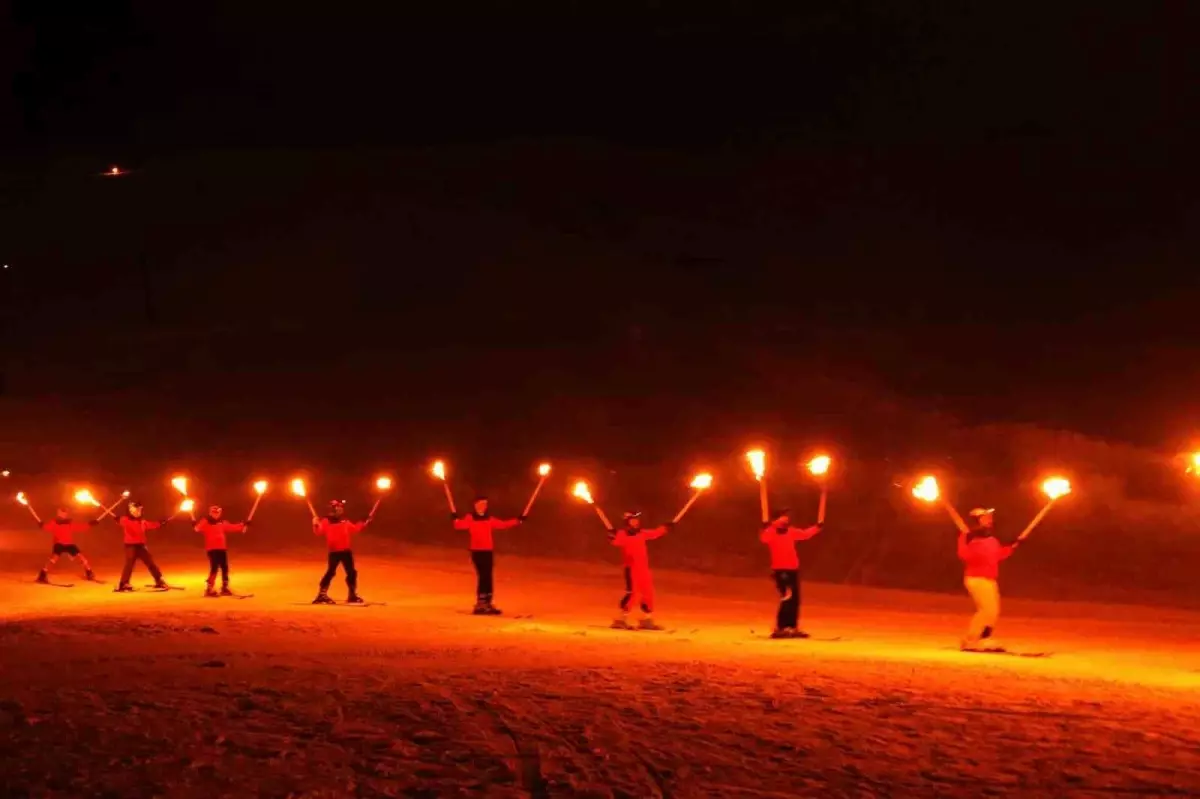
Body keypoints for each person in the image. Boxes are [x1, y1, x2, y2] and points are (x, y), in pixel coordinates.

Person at [956, 507, 1019, 652]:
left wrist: (1013, 546)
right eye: (985, 518)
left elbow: (998, 556)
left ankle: (985, 639)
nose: (990, 521)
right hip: (976, 578)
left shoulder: (991, 540)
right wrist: (969, 541)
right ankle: (971, 640)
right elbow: (964, 556)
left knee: (993, 611)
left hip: (990, 578)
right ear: (977, 520)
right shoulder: (968, 537)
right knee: (986, 610)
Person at [452, 496, 524, 615]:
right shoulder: (470, 518)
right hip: (477, 551)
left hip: (488, 551)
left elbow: (503, 524)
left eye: (485, 504)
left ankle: (488, 603)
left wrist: (518, 520)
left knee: (488, 576)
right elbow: (459, 525)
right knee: (483, 576)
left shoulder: (489, 519)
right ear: (475, 505)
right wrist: (455, 518)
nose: (484, 506)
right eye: (481, 504)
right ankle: (481, 604)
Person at [758, 507, 823, 639]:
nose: (787, 518)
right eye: (783, 516)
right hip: (780, 569)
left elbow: (804, 534)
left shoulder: (790, 532)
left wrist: (817, 527)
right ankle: (781, 627)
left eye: (787, 516)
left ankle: (792, 626)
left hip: (793, 569)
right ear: (777, 518)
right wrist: (767, 527)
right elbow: (764, 539)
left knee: (795, 599)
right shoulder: (772, 532)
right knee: (787, 596)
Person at [609, 512, 672, 630]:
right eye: (633, 520)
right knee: (632, 593)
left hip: (643, 568)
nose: (636, 522)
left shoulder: (642, 533)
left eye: (637, 519)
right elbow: (615, 541)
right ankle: (621, 619)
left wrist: (665, 527)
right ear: (627, 521)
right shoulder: (622, 534)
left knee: (648, 592)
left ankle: (646, 619)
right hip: (631, 568)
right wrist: (612, 536)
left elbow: (655, 533)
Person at [311, 499, 370, 605]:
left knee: (351, 572)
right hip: (334, 551)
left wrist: (363, 522)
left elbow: (355, 529)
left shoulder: (345, 521)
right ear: (333, 509)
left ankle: (352, 594)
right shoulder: (326, 521)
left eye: (341, 508)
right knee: (331, 572)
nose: (341, 510)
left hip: (346, 551)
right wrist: (315, 524)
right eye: (339, 508)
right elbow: (319, 532)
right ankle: (321, 594)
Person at [112, 500, 173, 592]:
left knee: (150, 563)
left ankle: (159, 580)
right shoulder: (125, 520)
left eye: (140, 510)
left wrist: (160, 523)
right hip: (130, 546)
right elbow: (120, 521)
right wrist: (117, 519)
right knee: (129, 564)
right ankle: (123, 583)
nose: (139, 512)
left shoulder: (142, 522)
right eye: (137, 510)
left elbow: (151, 525)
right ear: (132, 510)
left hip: (141, 545)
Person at [193, 505, 250, 597]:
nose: (216, 515)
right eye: (214, 513)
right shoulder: (206, 521)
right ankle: (209, 589)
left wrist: (243, 524)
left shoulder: (222, 522)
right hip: (212, 548)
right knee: (214, 567)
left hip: (222, 548)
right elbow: (197, 528)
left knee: (224, 567)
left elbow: (232, 527)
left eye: (218, 513)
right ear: (210, 513)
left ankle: (225, 587)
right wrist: (195, 524)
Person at [36, 507, 100, 584]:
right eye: (62, 512)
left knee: (81, 558)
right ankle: (42, 575)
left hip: (69, 543)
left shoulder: (69, 523)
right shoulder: (55, 522)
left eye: (65, 513)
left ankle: (89, 572)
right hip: (59, 543)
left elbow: (79, 527)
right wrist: (42, 525)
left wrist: (90, 524)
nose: (63, 514)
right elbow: (48, 527)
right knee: (53, 559)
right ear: (58, 513)